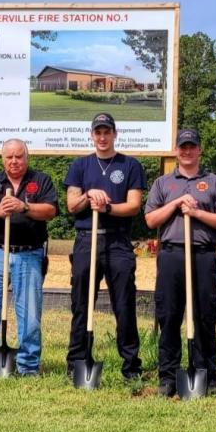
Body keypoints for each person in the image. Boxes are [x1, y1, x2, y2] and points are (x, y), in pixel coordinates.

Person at [144, 128, 216, 397]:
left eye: (191, 146)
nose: (187, 151)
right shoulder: (163, 183)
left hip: (203, 255)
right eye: (182, 147)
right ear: (176, 150)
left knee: (205, 316)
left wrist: (196, 212)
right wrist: (175, 204)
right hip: (171, 254)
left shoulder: (215, 182)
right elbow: (150, 220)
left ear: (199, 149)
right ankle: (168, 376)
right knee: (169, 315)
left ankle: (205, 373)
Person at [65, 113, 146, 381]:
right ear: (92, 135)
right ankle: (77, 362)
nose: (102, 137)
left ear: (114, 134)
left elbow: (133, 206)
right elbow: (71, 205)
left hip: (117, 241)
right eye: (98, 132)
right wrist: (88, 196)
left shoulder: (130, 165)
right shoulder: (80, 165)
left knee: (123, 304)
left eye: (106, 132)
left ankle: (131, 366)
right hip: (86, 239)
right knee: (81, 303)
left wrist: (107, 207)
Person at [0, 138, 59, 376]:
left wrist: (24, 207)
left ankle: (28, 365)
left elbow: (51, 210)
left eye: (19, 156)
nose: (14, 161)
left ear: (27, 158)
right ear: (3, 159)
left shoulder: (41, 180)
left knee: (29, 313)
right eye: (9, 157)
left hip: (29, 254)